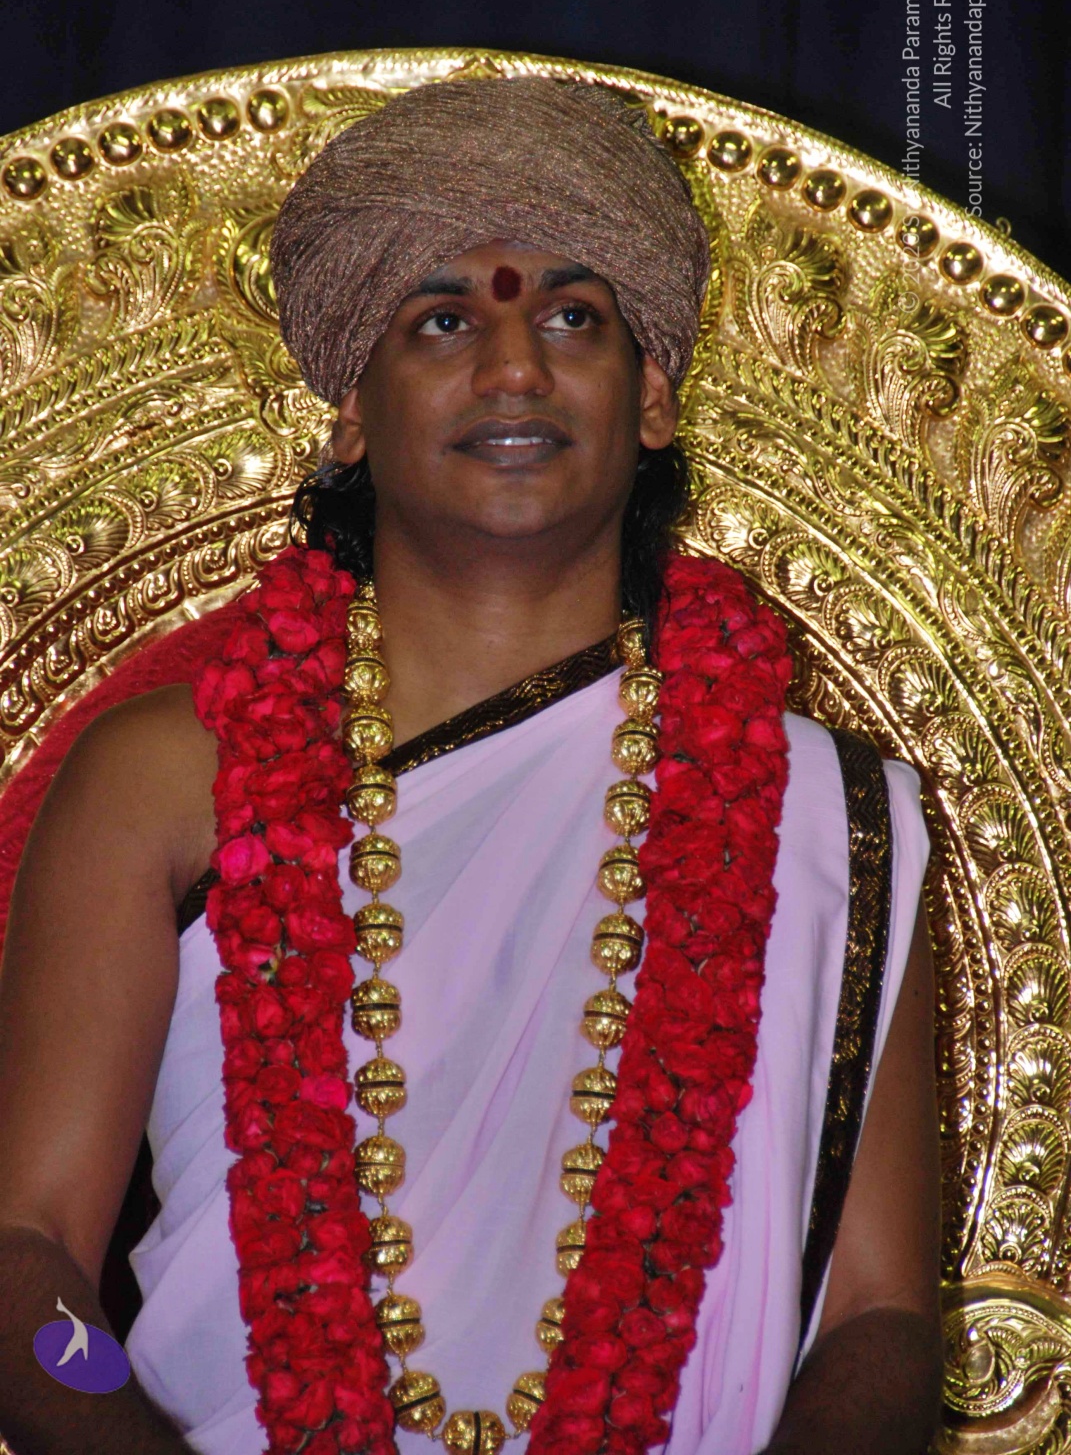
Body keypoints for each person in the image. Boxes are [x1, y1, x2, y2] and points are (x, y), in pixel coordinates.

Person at [0, 76, 941, 1455]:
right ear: (350, 411)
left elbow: (882, 1317)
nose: (515, 370)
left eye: (573, 317)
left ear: (654, 396)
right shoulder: (163, 780)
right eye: (444, 320)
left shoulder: (833, 814)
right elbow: (25, 1263)